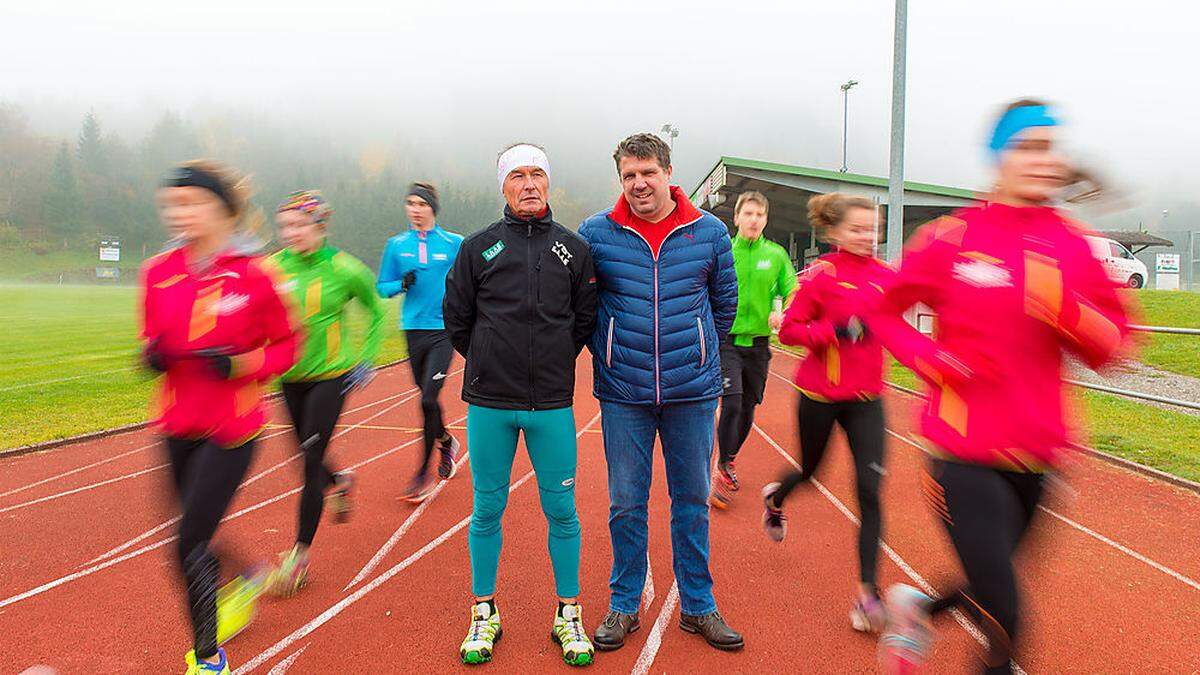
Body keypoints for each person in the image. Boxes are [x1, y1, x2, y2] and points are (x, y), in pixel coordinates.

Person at [873, 99, 1135, 674]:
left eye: (1052, 147)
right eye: (1030, 147)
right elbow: (886, 312)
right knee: (1008, 617)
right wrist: (930, 357)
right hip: (963, 456)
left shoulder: (1075, 242)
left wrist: (1066, 312)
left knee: (986, 584)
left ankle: (916, 607)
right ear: (1000, 157)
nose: (1045, 160)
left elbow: (1115, 344)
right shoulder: (951, 237)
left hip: (1040, 456)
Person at [580, 133, 743, 652]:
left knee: (691, 500)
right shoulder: (596, 234)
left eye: (647, 172)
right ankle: (624, 603)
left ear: (668, 172)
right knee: (626, 503)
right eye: (628, 175)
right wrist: (608, 351)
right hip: (624, 393)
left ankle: (698, 604)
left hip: (691, 394)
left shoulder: (710, 232)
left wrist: (698, 356)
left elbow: (724, 306)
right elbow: (585, 309)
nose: (638, 183)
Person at [140, 160, 300, 674]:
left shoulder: (255, 276)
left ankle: (209, 658)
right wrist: (152, 355)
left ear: (221, 209)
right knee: (193, 534)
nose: (178, 214)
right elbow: (152, 336)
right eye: (172, 205)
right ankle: (248, 574)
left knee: (186, 545)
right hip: (175, 424)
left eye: (190, 203)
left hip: (232, 428)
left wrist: (242, 363)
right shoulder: (158, 273)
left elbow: (288, 347)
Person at [442, 143, 598, 666]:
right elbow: (457, 319)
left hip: (551, 404)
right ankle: (484, 611)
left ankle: (567, 613)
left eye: (537, 175)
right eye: (517, 176)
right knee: (487, 508)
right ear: (503, 187)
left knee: (562, 511)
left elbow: (584, 321)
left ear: (548, 183)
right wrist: (489, 360)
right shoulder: (477, 248)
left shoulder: (573, 251)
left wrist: (550, 362)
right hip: (489, 404)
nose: (528, 184)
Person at [760, 192, 894, 632]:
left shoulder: (885, 278)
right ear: (835, 232)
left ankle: (867, 596)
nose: (867, 236)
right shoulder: (820, 276)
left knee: (870, 491)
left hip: (867, 402)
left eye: (872, 228)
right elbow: (791, 331)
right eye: (856, 229)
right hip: (819, 397)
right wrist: (834, 331)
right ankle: (777, 498)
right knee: (812, 474)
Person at [264, 189, 385, 596]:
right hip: (289, 378)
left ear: (320, 225)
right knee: (306, 451)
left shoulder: (345, 268)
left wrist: (366, 357)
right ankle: (342, 480)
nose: (290, 233)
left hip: (330, 377)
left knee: (309, 461)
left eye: (299, 225)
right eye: (284, 226)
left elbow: (375, 310)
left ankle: (298, 557)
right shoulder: (271, 268)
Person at [709, 190, 798, 509]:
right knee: (731, 403)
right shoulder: (724, 252)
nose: (754, 220)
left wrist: (783, 312)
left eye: (759, 215)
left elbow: (792, 290)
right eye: (748, 214)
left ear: (766, 219)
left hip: (759, 346)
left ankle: (728, 458)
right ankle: (721, 468)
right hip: (728, 342)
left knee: (748, 409)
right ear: (736, 218)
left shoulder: (775, 255)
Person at [377, 182, 464, 502]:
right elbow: (382, 287)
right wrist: (400, 283)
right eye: (410, 203)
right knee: (427, 398)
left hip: (443, 330)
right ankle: (445, 440)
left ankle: (422, 475)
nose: (415, 209)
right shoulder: (397, 245)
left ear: (432, 208)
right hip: (412, 330)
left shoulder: (454, 243)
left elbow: (473, 277)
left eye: (421, 204)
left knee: (428, 399)